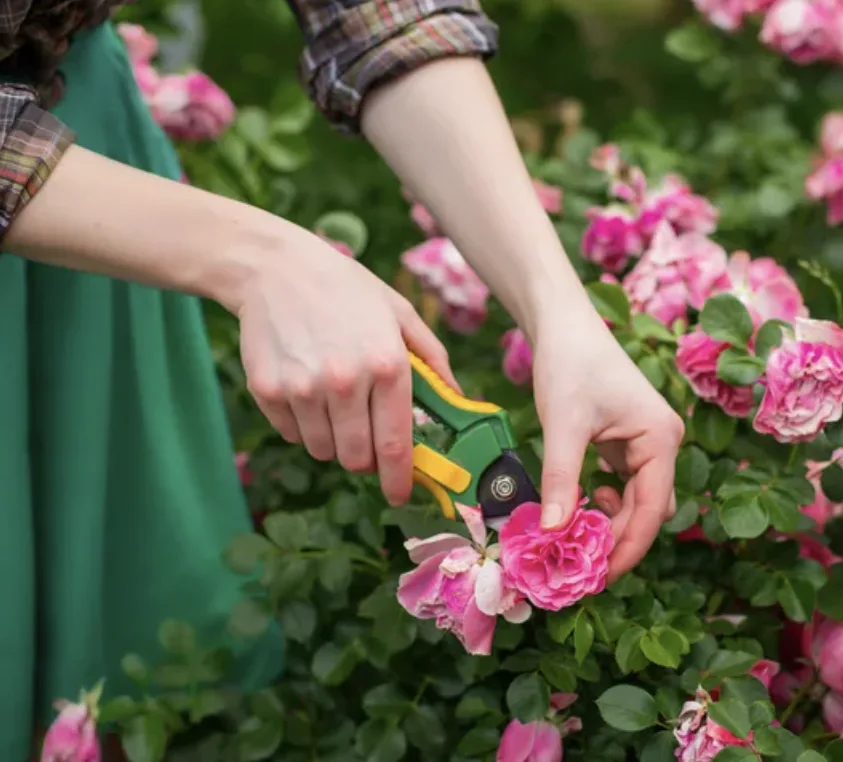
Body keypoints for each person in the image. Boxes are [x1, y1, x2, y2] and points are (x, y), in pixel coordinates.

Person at [0, 0, 683, 756]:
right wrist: (257, 260)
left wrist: (560, 314)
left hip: (90, 176)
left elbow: (378, 13)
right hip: (71, 205)